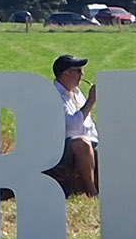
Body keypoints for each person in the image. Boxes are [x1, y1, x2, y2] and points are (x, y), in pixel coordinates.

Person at [43, 54, 100, 197]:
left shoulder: (76, 93)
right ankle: (91, 191)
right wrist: (91, 101)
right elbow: (72, 126)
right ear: (66, 73)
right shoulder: (53, 96)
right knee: (82, 143)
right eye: (78, 71)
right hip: (63, 147)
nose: (82, 74)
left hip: (88, 141)